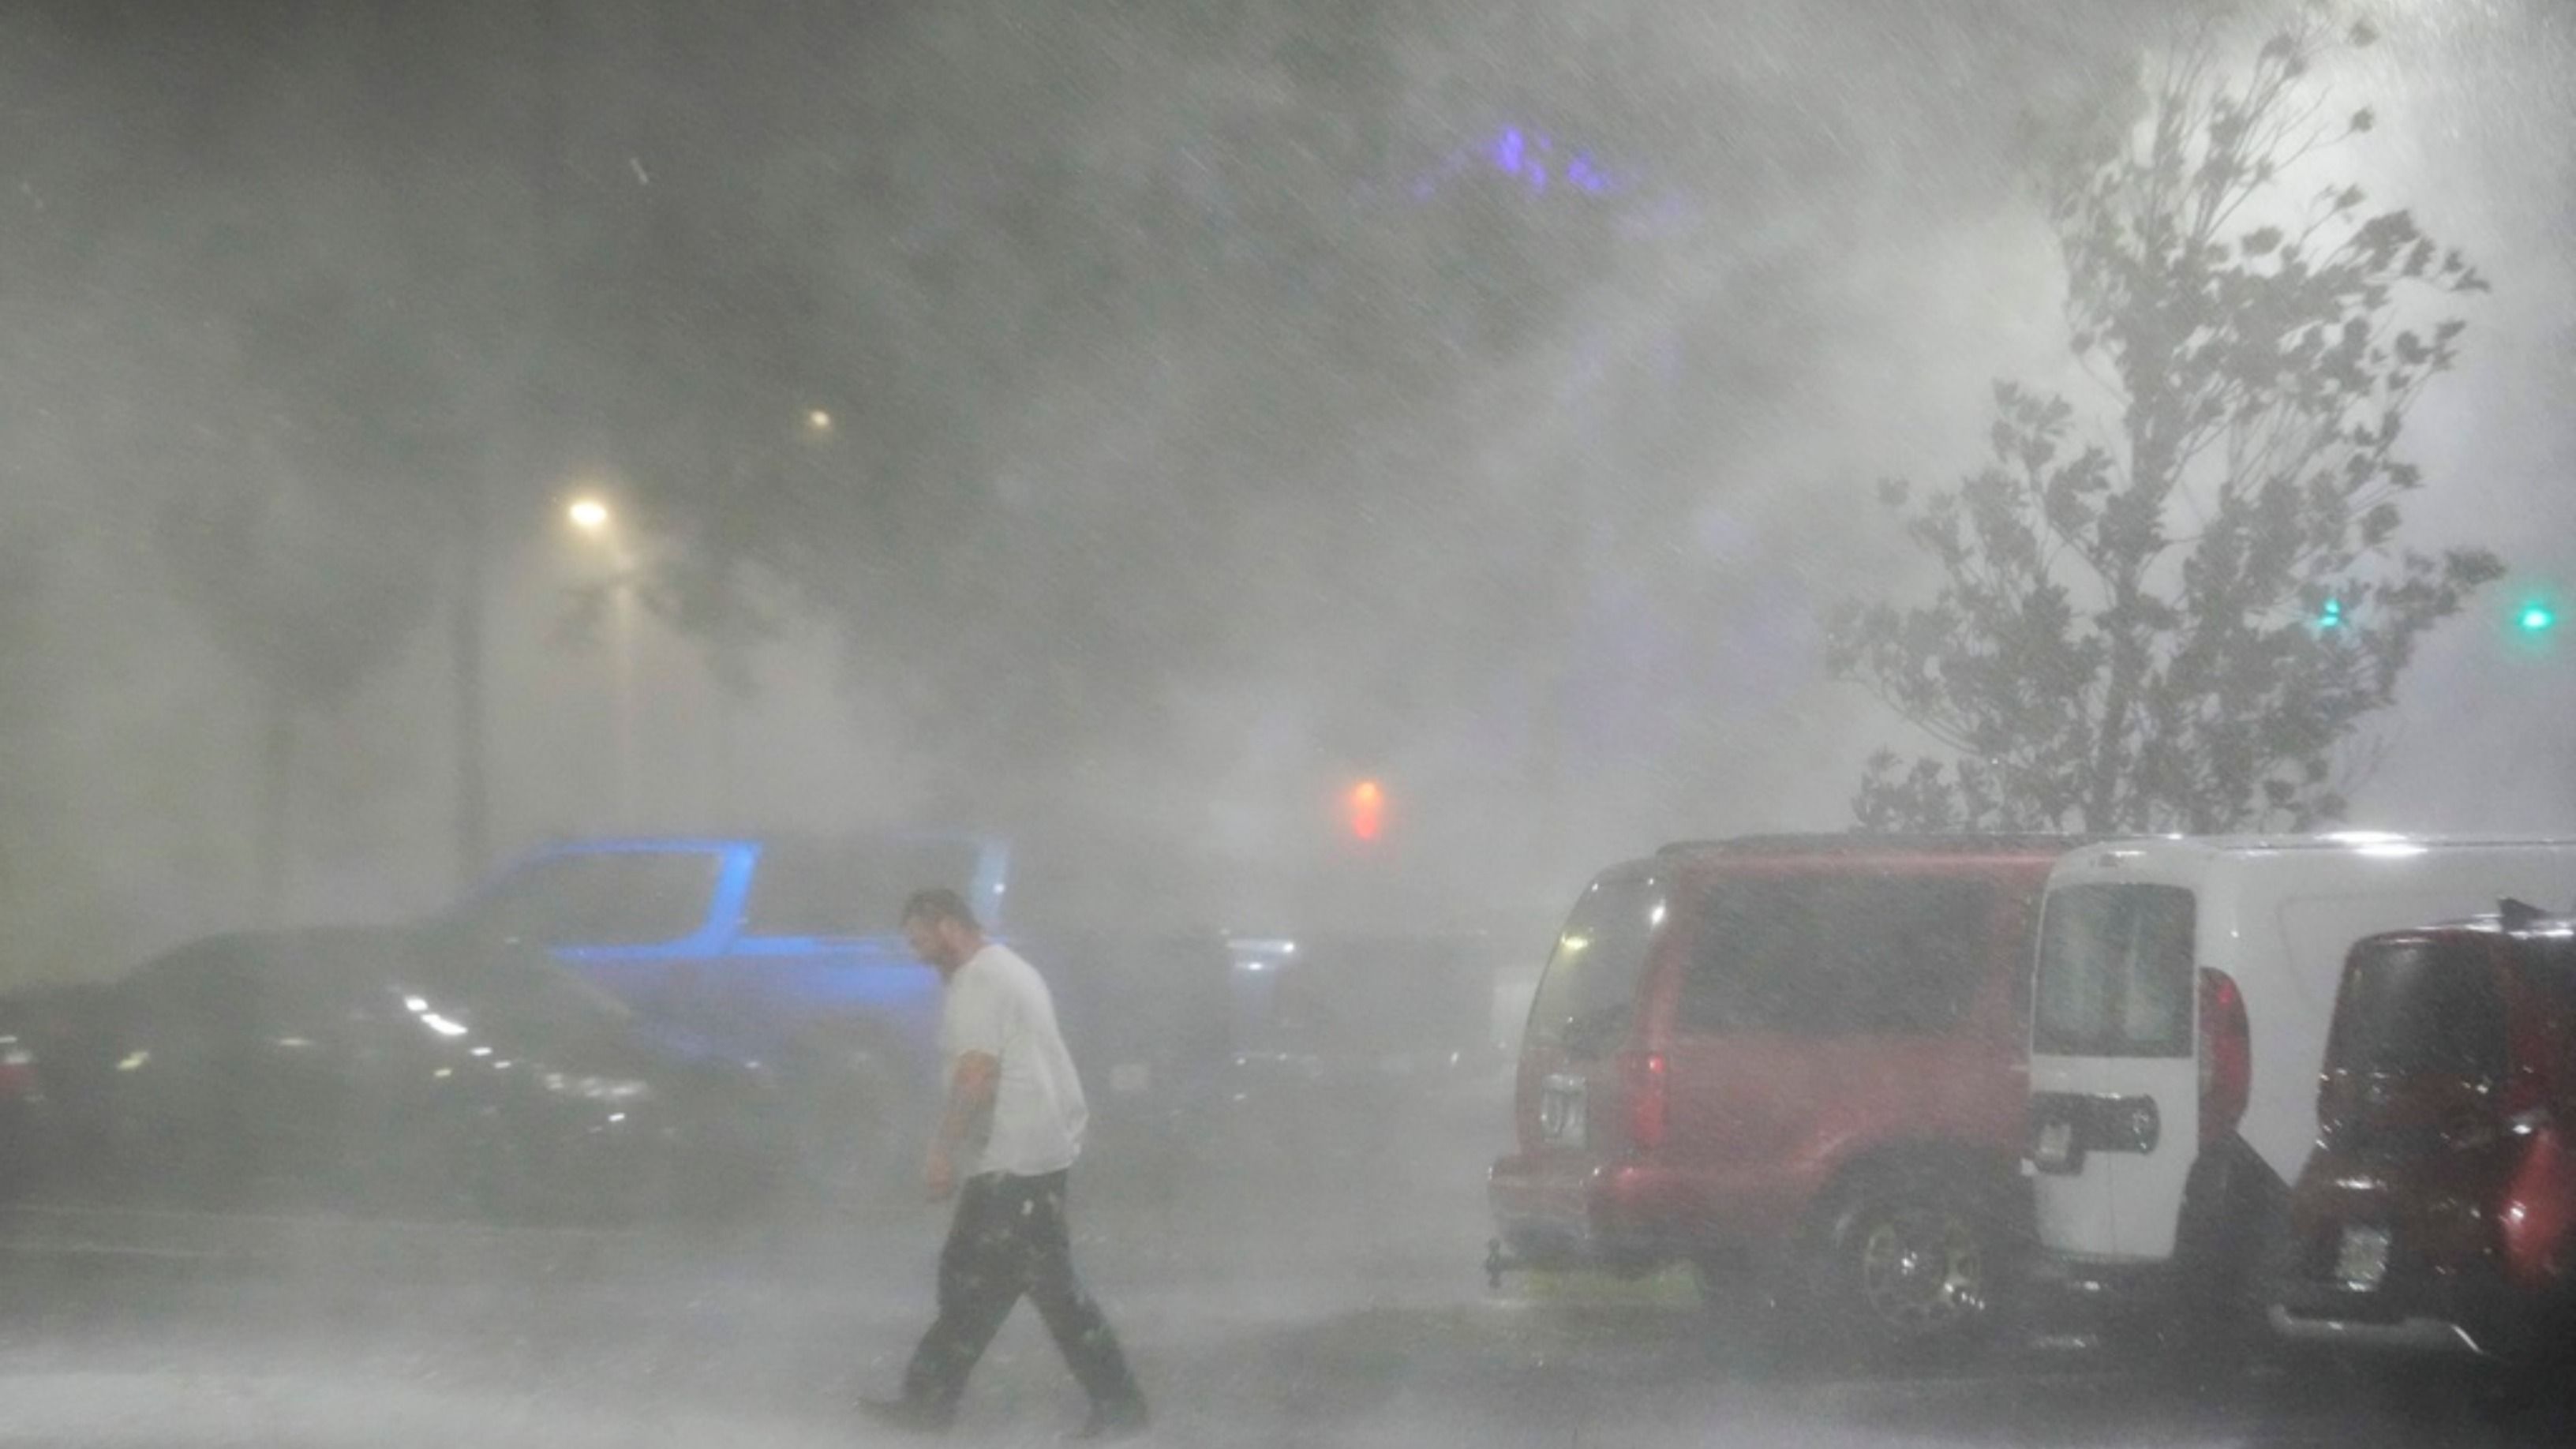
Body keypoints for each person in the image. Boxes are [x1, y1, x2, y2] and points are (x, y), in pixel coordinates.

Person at [859, 888, 1149, 1440]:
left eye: (921, 942)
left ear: (947, 927)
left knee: (1042, 1291)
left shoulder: (981, 980)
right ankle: (929, 1399)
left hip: (1016, 1163)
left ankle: (1120, 1410)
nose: (919, 956)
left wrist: (940, 1151)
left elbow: (976, 1073)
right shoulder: (1007, 968)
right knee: (978, 1279)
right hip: (1026, 1157)